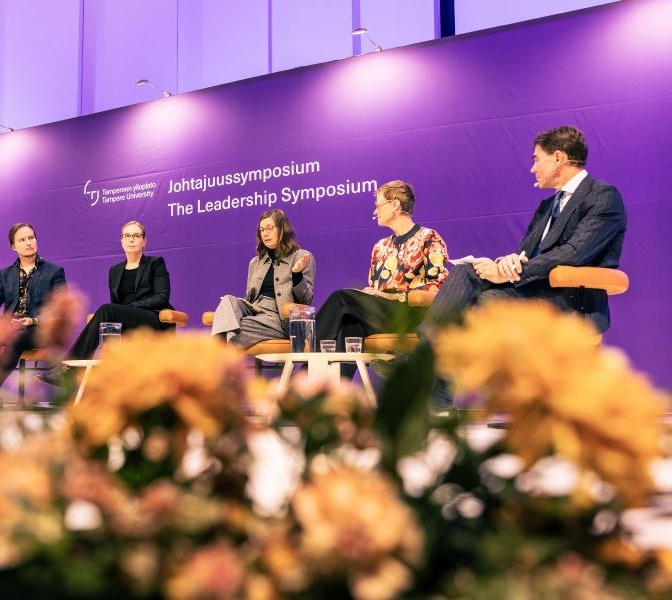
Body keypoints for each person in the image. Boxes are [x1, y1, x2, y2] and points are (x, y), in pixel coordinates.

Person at [421, 125, 627, 408]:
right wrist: (504, 263)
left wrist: (513, 270)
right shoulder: (546, 206)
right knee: (464, 272)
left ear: (558, 158)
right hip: (530, 290)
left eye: (536, 159)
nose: (532, 168)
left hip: (570, 300)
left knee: (483, 303)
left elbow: (575, 253)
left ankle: (428, 377)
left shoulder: (603, 196)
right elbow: (525, 254)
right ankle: (426, 364)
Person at [316, 180, 449, 376]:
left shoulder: (428, 238)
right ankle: (333, 389)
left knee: (341, 298)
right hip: (381, 313)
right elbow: (375, 289)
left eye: (378, 205)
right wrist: (371, 294)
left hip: (410, 314)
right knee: (350, 322)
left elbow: (437, 288)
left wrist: (392, 296)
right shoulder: (380, 247)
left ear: (395, 205)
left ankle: (305, 356)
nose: (374, 211)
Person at [0, 223, 67, 412]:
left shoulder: (54, 271)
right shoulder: (5, 274)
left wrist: (34, 320)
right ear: (13, 246)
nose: (28, 243)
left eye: (31, 237)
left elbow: (59, 308)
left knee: (17, 337)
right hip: (11, 325)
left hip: (38, 329)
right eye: (22, 240)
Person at [57, 220, 176, 364]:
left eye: (136, 235)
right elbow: (116, 303)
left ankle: (70, 365)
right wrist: (123, 312)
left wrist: (132, 306)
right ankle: (85, 367)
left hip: (152, 317)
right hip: (125, 319)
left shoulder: (155, 263)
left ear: (144, 241)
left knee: (107, 309)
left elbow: (162, 297)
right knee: (108, 315)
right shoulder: (115, 270)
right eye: (127, 236)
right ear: (121, 241)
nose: (131, 239)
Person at [212, 208, 315, 347]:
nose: (265, 233)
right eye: (262, 230)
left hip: (278, 319)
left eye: (269, 228)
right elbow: (248, 298)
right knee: (227, 300)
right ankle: (223, 351)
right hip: (254, 312)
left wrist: (297, 274)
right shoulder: (255, 262)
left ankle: (217, 353)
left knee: (228, 326)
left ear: (282, 229)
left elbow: (306, 301)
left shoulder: (301, 257)